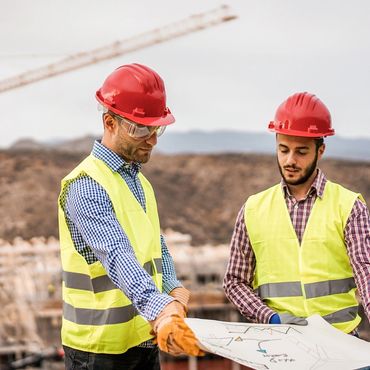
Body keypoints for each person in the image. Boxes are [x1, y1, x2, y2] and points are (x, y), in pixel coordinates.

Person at [58, 63, 203, 370]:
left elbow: (155, 244)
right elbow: (116, 255)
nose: (152, 138)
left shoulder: (139, 182)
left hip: (143, 339)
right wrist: (162, 310)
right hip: (98, 352)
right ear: (110, 122)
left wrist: (173, 286)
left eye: (157, 127)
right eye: (140, 128)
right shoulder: (86, 185)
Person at [223, 92, 370, 334]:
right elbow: (235, 282)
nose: (290, 160)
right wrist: (269, 317)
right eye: (283, 150)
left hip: (340, 344)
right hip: (280, 344)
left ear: (320, 151)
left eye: (301, 152)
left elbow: (366, 272)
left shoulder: (349, 206)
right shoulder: (253, 209)